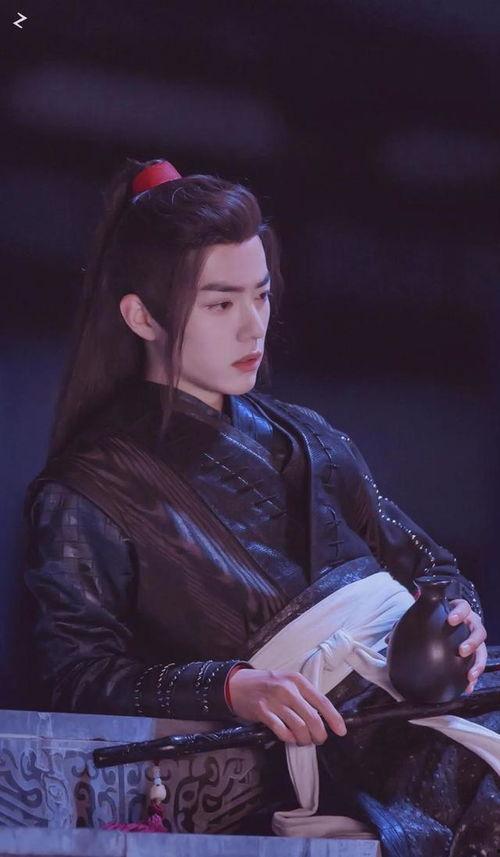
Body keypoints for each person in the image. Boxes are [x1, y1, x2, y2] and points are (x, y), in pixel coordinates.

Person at [24, 157, 499, 855]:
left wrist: (460, 619)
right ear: (142, 315)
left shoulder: (307, 434)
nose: (254, 327)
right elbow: (75, 677)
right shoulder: (87, 490)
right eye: (221, 304)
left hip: (431, 695)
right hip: (341, 739)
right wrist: (230, 687)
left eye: (262, 295)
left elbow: (426, 562)